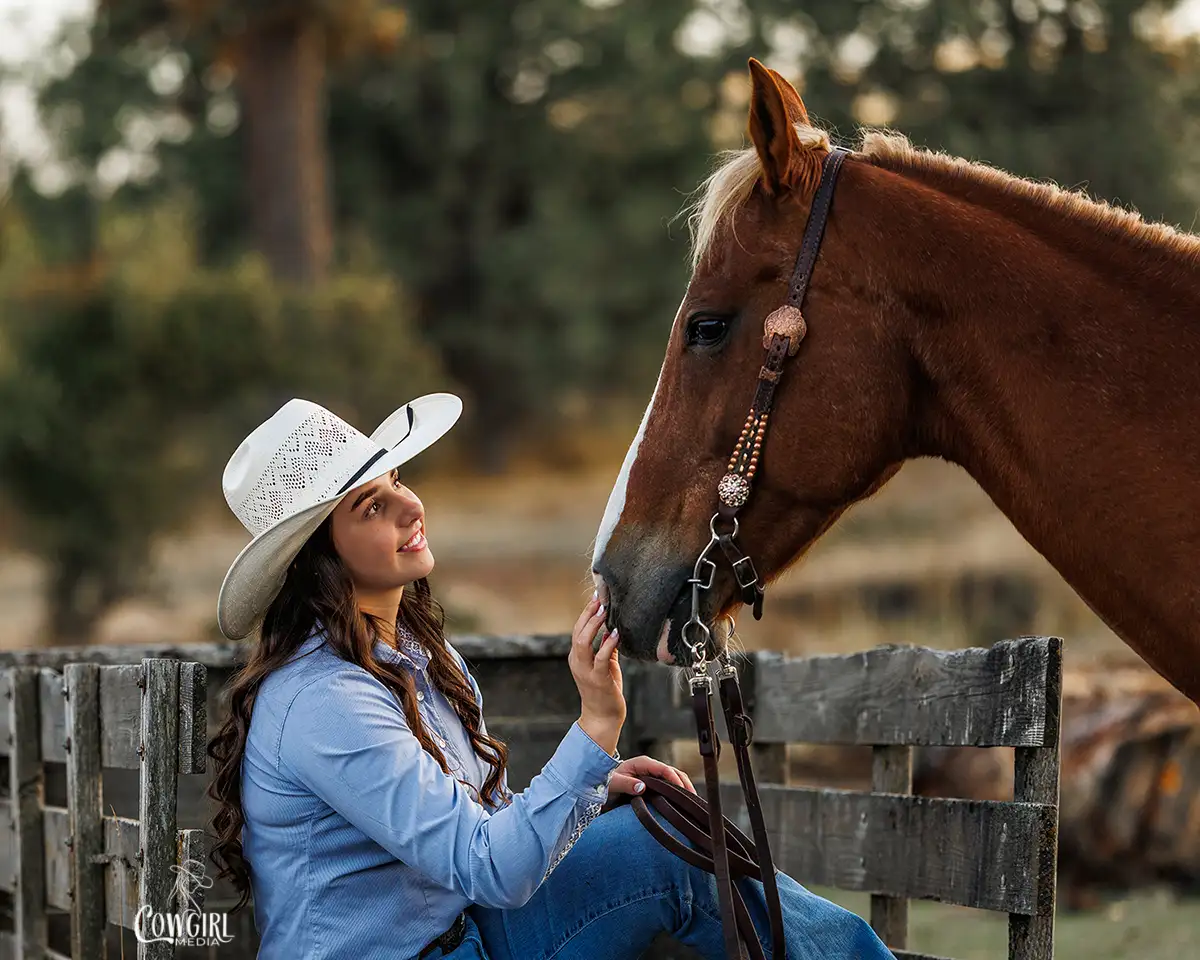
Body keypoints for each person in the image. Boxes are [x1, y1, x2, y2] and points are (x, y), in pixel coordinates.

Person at [206, 394, 894, 959]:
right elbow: (488, 865)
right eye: (372, 508)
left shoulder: (417, 656)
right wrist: (596, 728)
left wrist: (594, 785)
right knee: (670, 856)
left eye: (397, 484)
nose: (410, 508)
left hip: (466, 934)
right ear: (319, 558)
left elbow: (482, 822)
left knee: (670, 834)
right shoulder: (327, 702)